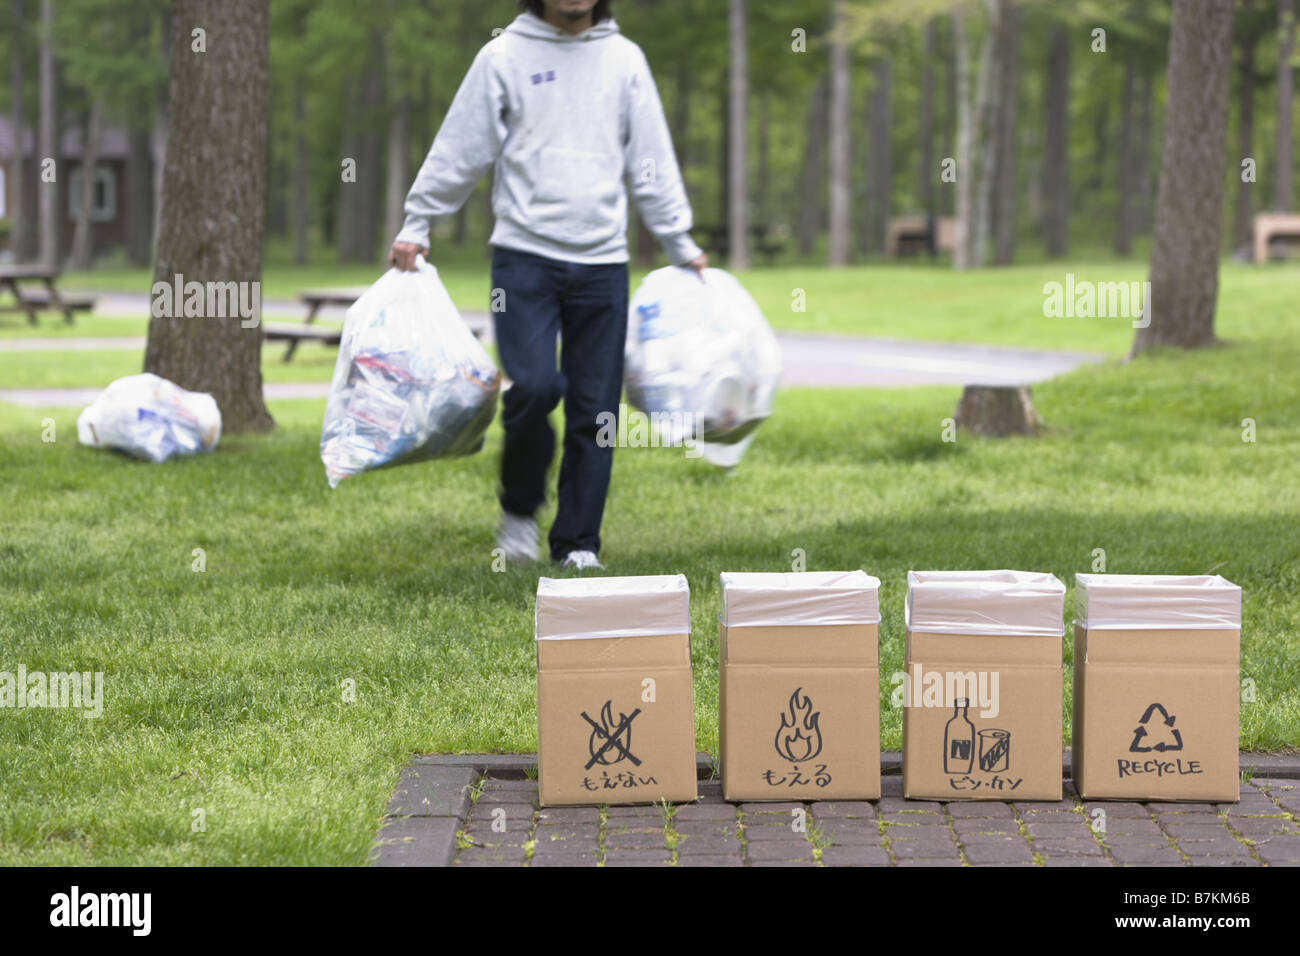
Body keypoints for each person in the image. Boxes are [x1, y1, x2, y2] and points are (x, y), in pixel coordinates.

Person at [390, 0, 705, 572]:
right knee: (534, 387)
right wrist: (418, 220)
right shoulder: (503, 56)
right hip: (523, 260)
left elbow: (651, 162)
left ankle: (578, 543)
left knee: (596, 410)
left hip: (603, 265)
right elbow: (462, 147)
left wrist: (679, 241)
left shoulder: (625, 61)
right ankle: (518, 508)